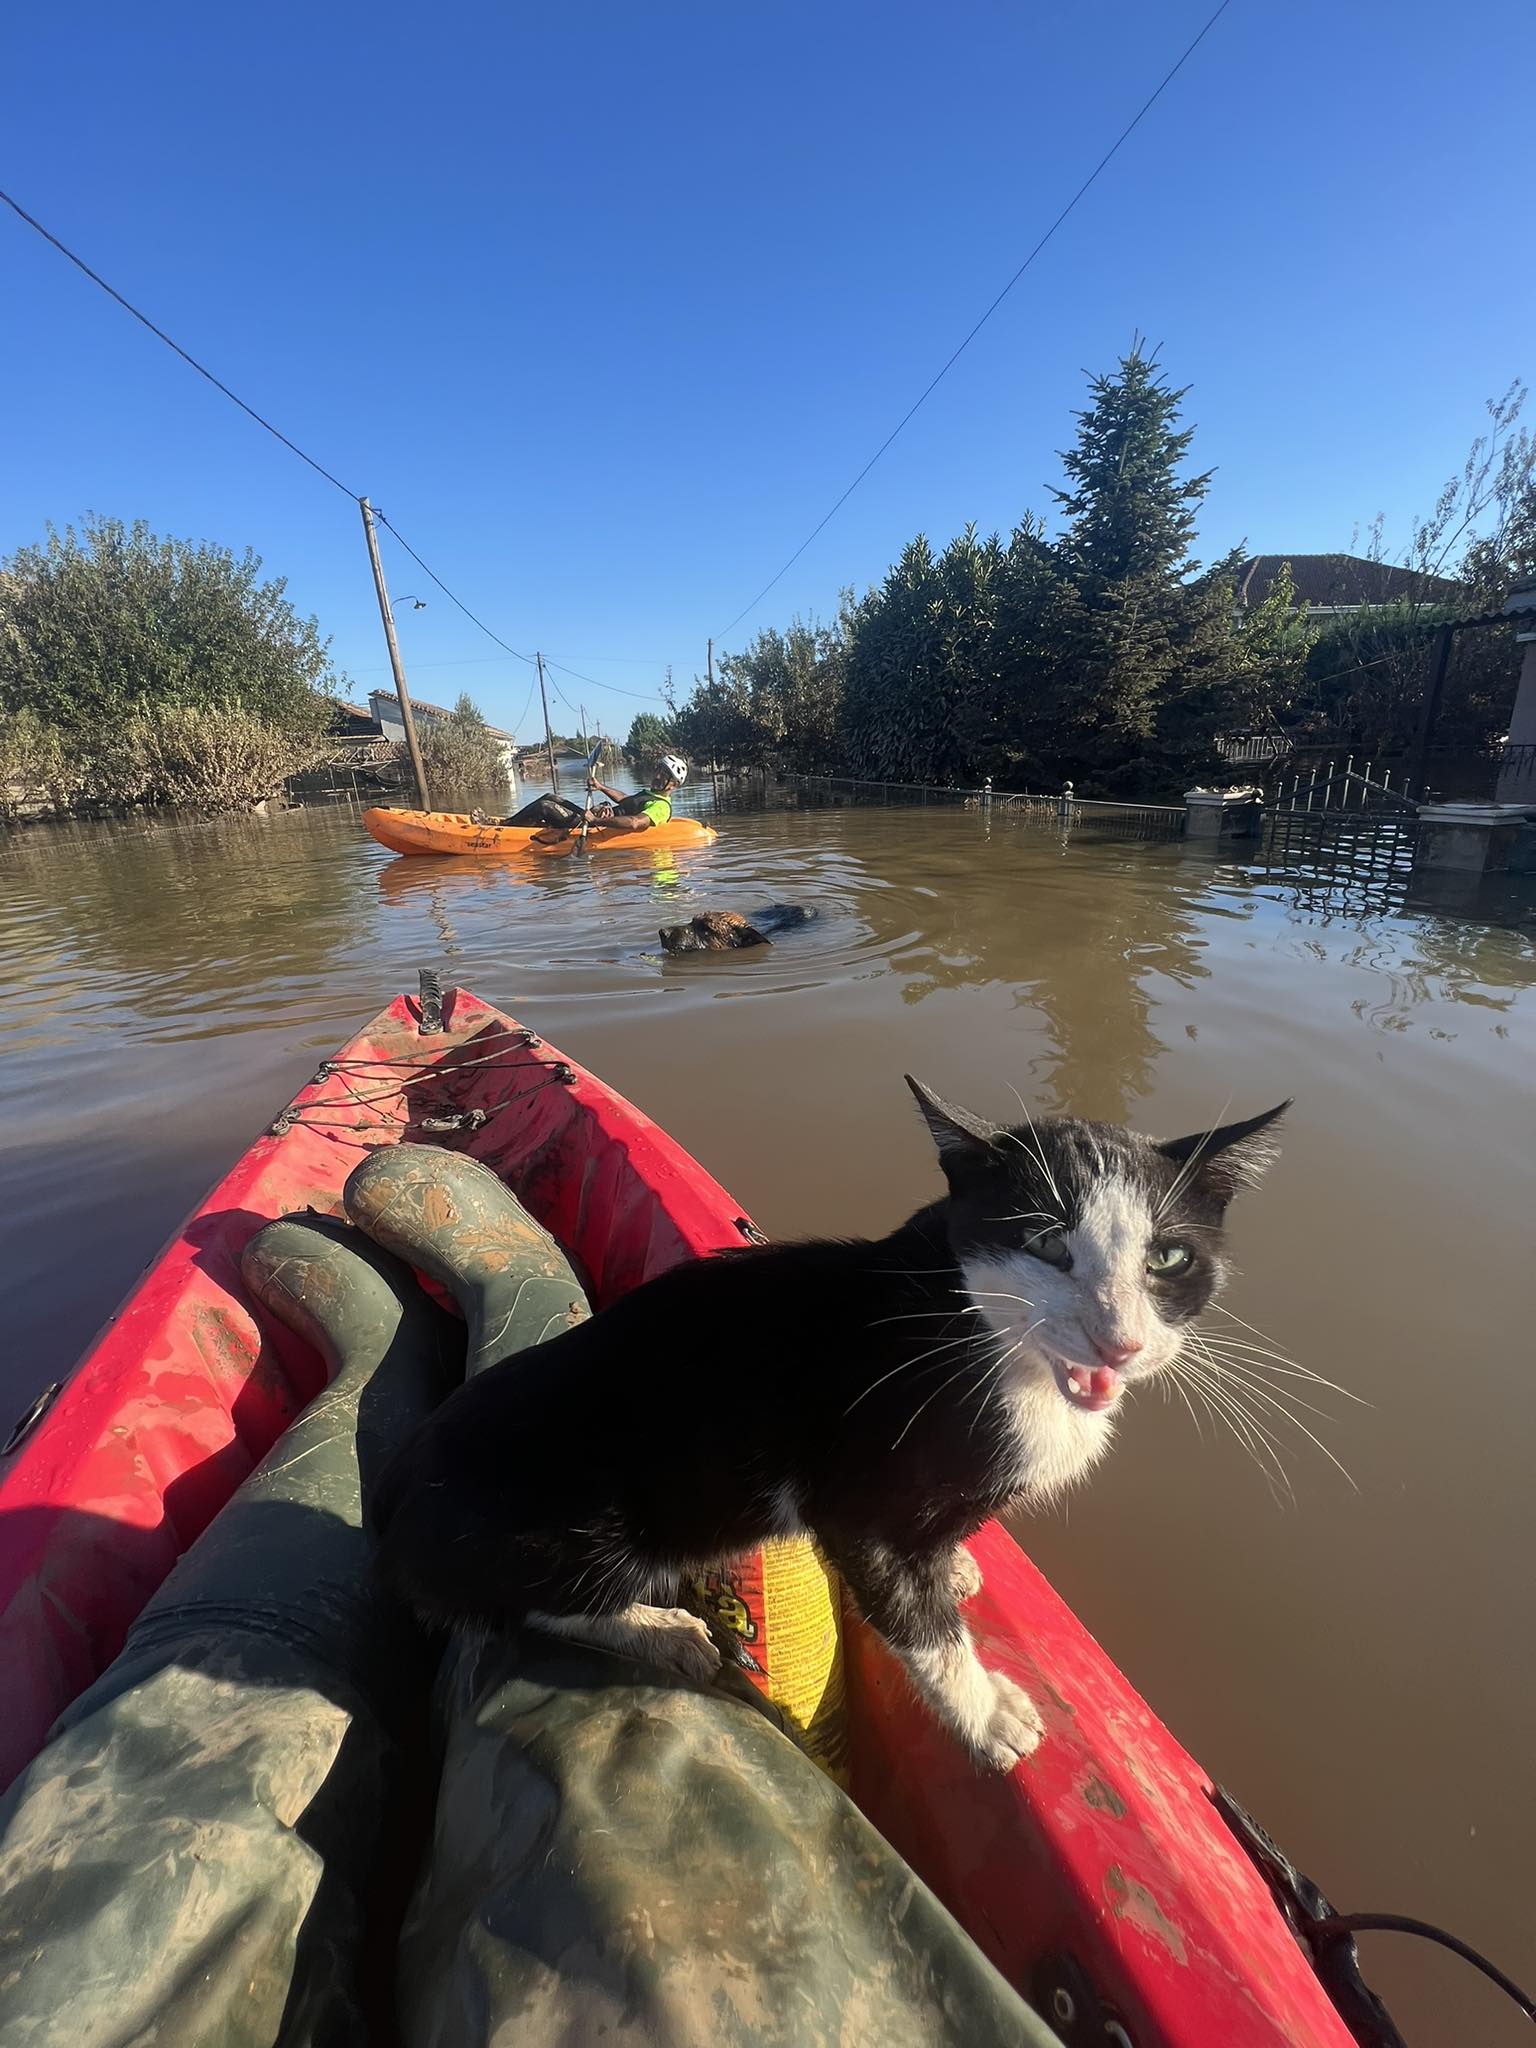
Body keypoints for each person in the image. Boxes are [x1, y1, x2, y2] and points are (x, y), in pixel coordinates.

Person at [533, 756, 687, 841]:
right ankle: (525, 825)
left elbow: (634, 822)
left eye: (664, 775)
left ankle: (517, 829)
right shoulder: (650, 794)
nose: (657, 776)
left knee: (544, 806)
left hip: (594, 825)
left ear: (673, 785)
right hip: (595, 819)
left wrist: (596, 820)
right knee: (550, 797)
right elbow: (626, 800)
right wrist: (600, 787)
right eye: (658, 770)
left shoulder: (661, 806)